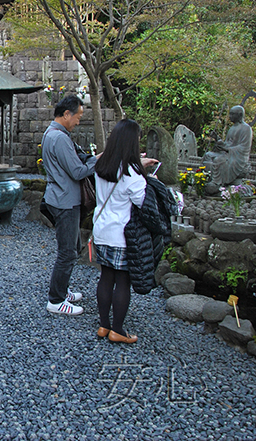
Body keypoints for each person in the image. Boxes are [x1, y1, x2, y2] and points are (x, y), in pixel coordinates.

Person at [93, 119, 166, 344]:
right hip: (122, 234)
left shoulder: (102, 163)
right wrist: (150, 181)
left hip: (101, 230)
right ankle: (118, 330)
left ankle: (104, 326)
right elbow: (143, 202)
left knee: (106, 277)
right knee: (123, 281)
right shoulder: (132, 172)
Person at [42, 95, 98, 316]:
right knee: (67, 251)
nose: (78, 121)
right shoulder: (60, 138)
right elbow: (78, 171)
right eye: (78, 116)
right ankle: (56, 300)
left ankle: (62, 289)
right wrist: (98, 161)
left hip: (62, 197)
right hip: (65, 200)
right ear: (66, 114)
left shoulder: (52, 134)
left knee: (72, 248)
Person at [203, 105, 253, 186]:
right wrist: (218, 140)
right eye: (230, 114)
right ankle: (205, 179)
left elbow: (244, 147)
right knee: (208, 155)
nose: (230, 116)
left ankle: (216, 182)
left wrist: (227, 148)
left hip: (237, 157)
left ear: (240, 115)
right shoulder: (232, 128)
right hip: (227, 153)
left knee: (218, 160)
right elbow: (227, 144)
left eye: (233, 114)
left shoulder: (246, 128)